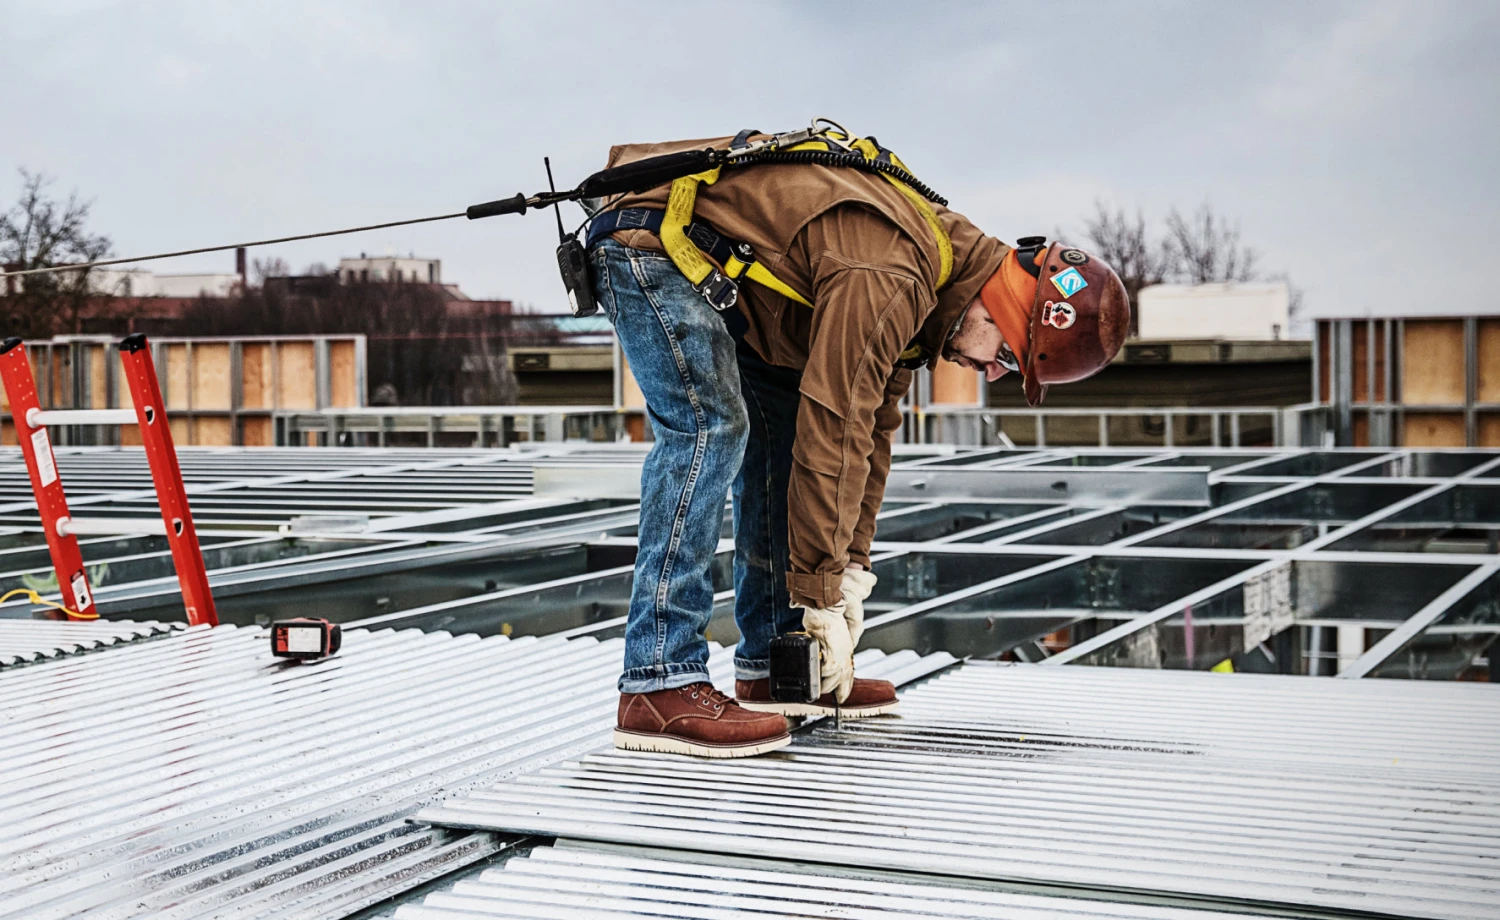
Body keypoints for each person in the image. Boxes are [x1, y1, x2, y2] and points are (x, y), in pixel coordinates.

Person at [591, 128, 1129, 758]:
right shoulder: (894, 274)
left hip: (729, 284)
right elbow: (836, 421)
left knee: (778, 439)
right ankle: (658, 680)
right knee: (709, 428)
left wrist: (849, 574)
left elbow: (870, 434)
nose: (992, 373)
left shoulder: (933, 289)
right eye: (1007, 356)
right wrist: (817, 593)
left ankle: (775, 664)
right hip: (652, 245)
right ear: (1002, 307)